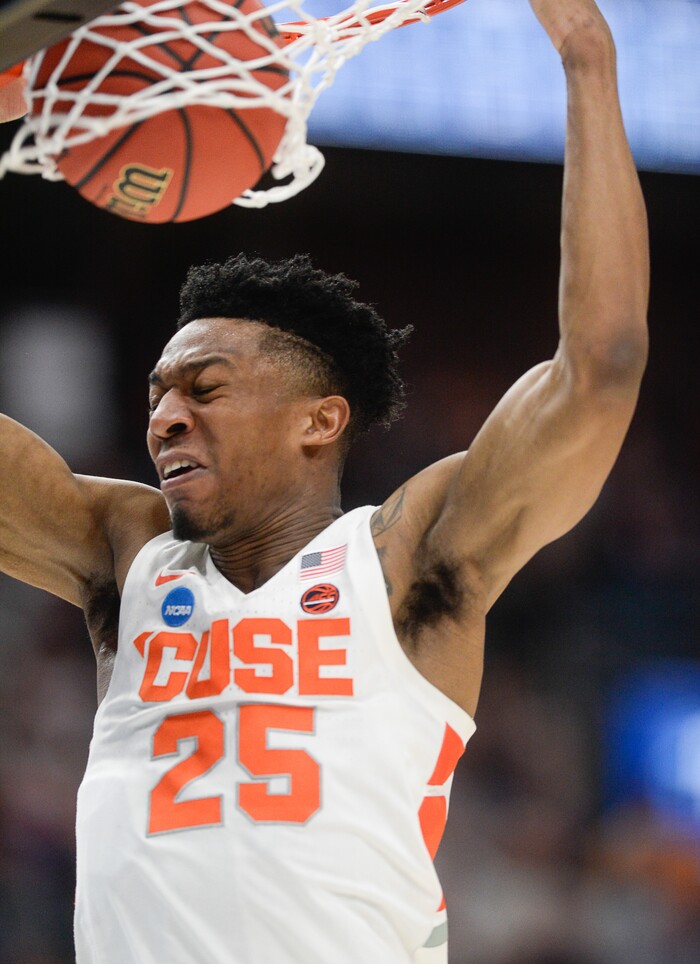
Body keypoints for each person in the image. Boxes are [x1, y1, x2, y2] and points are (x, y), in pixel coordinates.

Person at [0, 0, 649, 961]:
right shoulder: (125, 554)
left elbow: (598, 369)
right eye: (156, 394)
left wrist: (589, 60)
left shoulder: (404, 561)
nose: (165, 416)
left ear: (320, 419)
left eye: (205, 389)